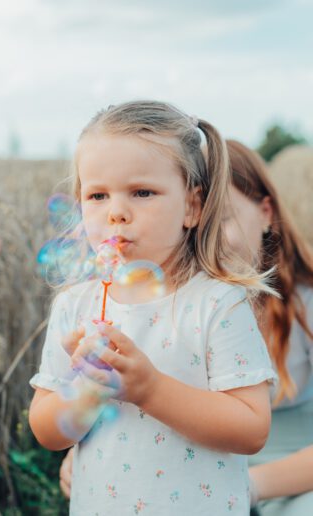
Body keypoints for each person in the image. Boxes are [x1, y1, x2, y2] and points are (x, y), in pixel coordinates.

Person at [29, 101, 276, 515]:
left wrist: (150, 390)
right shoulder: (76, 306)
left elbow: (252, 428)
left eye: (142, 192)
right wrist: (87, 388)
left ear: (192, 207)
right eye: (97, 195)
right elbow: (47, 430)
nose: (117, 212)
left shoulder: (216, 303)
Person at [223, 140, 313, 516]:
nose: (201, 241)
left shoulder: (304, 303)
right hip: (200, 474)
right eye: (190, 223)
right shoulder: (170, 308)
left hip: (297, 476)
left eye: (222, 219)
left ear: (265, 213)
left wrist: (248, 488)